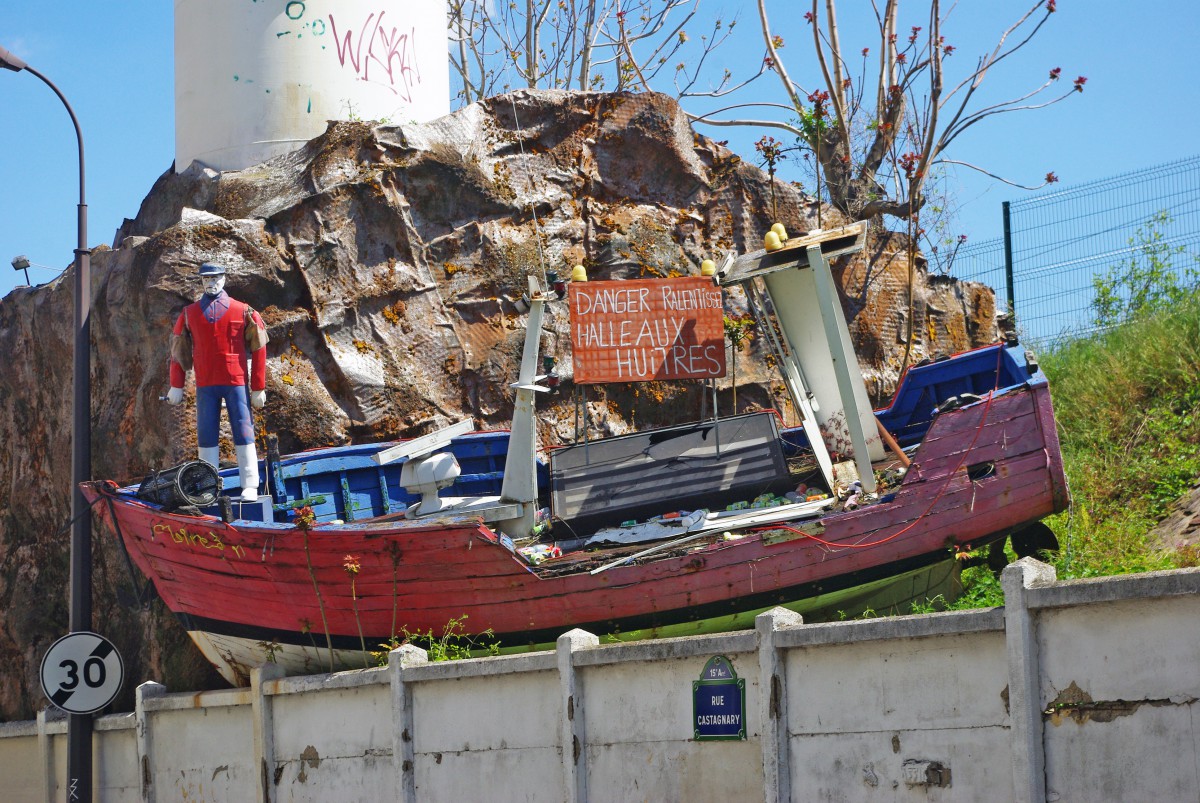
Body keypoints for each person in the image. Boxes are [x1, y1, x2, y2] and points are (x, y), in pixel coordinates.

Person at [166, 262, 269, 501]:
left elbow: (260, 349)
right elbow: (178, 350)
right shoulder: (189, 314)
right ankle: (206, 486)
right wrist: (176, 384)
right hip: (206, 383)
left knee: (243, 429)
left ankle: (250, 484)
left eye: (216, 278)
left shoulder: (244, 311)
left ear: (224, 278)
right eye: (206, 279)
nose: (211, 283)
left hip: (236, 381)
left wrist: (258, 387)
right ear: (201, 282)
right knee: (206, 433)